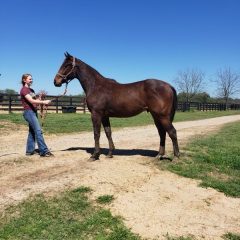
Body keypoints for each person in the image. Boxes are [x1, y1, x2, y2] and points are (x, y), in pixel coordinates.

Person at [20, 73, 54, 157]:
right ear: (24, 80)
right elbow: (31, 101)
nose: (31, 80)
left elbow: (35, 102)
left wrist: (40, 98)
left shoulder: (32, 90)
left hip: (33, 112)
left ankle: (29, 150)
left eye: (32, 79)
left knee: (32, 132)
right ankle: (44, 151)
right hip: (28, 112)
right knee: (38, 131)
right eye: (29, 79)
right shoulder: (24, 90)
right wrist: (43, 102)